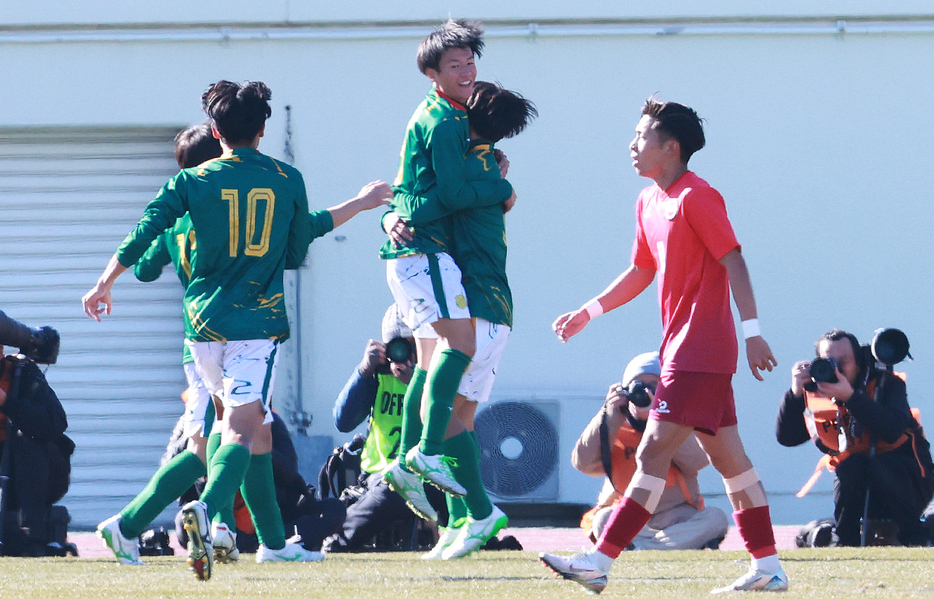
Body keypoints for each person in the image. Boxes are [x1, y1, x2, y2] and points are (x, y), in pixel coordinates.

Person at [81, 80, 391, 581]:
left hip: (201, 328)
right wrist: (357, 204)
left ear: (217, 130)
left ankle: (269, 542)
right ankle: (208, 512)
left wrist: (103, 283)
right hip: (255, 326)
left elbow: (147, 230)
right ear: (263, 129)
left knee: (246, 437)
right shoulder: (285, 177)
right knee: (242, 433)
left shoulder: (191, 183)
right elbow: (295, 249)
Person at [542, 97, 787, 594]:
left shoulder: (698, 196)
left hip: (699, 351)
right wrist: (588, 312)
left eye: (641, 137)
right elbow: (640, 271)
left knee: (652, 452)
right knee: (732, 464)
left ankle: (599, 560)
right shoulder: (648, 201)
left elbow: (734, 259)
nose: (631, 145)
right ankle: (769, 567)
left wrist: (753, 330)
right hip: (685, 350)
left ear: (670, 147)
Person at [385, 81, 536, 559]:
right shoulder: (486, 166)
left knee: (447, 413)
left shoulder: (473, 167)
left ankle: (469, 502)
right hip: (491, 308)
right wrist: (390, 215)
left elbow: (430, 200)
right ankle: (460, 521)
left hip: (480, 308)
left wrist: (390, 214)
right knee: (458, 418)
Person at [379, 19, 515, 506]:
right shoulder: (444, 120)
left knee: (429, 364)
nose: (466, 70)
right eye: (454, 64)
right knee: (460, 345)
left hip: (421, 253)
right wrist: (501, 188)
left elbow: (419, 191)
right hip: (426, 253)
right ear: (432, 73)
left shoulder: (453, 119)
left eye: (470, 62)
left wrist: (396, 210)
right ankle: (427, 454)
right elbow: (451, 194)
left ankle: (416, 463)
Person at [776, 329, 934, 547]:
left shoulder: (886, 383)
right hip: (858, 483)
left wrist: (850, 397)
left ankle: (914, 538)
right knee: (850, 465)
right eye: (829, 361)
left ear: (858, 362)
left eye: (844, 361)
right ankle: (845, 540)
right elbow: (788, 437)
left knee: (881, 464)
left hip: (909, 483)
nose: (837, 368)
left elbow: (892, 430)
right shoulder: (817, 390)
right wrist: (794, 395)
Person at [573, 351, 729, 550]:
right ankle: (663, 545)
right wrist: (608, 416)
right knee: (603, 518)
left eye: (654, 387)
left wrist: (661, 419)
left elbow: (697, 461)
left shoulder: (680, 421)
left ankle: (640, 547)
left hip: (676, 516)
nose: (646, 393)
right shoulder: (615, 423)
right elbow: (583, 465)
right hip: (631, 516)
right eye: (638, 385)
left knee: (716, 518)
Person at [323, 305, 445, 552]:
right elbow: (343, 421)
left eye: (415, 345)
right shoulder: (378, 375)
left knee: (402, 488)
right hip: (380, 476)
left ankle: (337, 538)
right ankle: (335, 535)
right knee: (390, 489)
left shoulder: (440, 371)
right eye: (400, 346)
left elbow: (447, 421)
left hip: (431, 474)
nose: (408, 354)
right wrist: (363, 372)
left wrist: (417, 383)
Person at [0, 316, 71, 557]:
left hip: (35, 474)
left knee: (24, 438)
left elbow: (55, 422)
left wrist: (8, 403)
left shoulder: (20, 371)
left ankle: (35, 537)